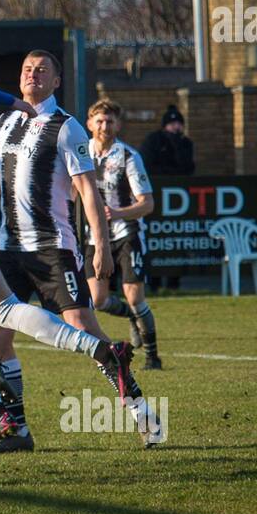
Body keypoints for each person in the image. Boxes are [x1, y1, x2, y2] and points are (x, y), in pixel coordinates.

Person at [0, 55, 161, 451]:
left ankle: (143, 413)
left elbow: (87, 191)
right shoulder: (6, 121)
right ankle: (18, 430)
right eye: (27, 68)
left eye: (42, 69)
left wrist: (100, 245)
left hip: (52, 248)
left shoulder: (67, 127)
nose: (33, 74)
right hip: (7, 247)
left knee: (84, 327)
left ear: (57, 81)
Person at [85, 98, 163, 370]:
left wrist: (116, 213)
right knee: (97, 299)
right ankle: (131, 317)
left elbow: (148, 203)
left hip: (126, 232)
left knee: (134, 296)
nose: (104, 126)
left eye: (109, 121)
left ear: (118, 125)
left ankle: (153, 356)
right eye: (99, 120)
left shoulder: (128, 156)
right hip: (94, 236)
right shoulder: (81, 153)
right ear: (89, 124)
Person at [140, 104, 194, 291]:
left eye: (179, 123)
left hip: (178, 202)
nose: (176, 127)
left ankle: (173, 282)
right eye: (172, 124)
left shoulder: (185, 144)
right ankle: (154, 282)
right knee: (155, 239)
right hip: (155, 199)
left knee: (177, 241)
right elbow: (147, 166)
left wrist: (177, 145)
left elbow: (187, 168)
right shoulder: (154, 141)